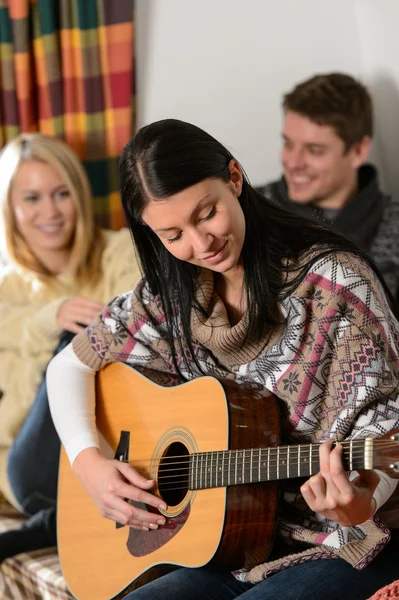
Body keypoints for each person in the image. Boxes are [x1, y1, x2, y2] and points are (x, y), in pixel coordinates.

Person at [47, 119, 399, 600]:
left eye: (206, 213)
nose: (199, 244)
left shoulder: (335, 285)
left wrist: (360, 502)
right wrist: (89, 464)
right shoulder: (170, 295)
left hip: (349, 541)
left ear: (234, 177)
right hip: (232, 543)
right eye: (172, 235)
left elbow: (382, 437)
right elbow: (68, 365)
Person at [0, 133, 140, 562]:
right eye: (32, 198)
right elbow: (13, 416)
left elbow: (138, 345)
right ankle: (52, 520)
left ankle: (58, 526)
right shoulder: (7, 292)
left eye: (61, 193)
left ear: (79, 196)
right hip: (34, 473)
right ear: (11, 208)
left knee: (89, 341)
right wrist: (49, 319)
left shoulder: (120, 253)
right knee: (74, 346)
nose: (50, 211)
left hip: (116, 450)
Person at [257, 72, 399, 301]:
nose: (293, 162)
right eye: (288, 144)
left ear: (358, 151)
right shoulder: (249, 210)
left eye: (314, 150)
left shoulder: (394, 227)